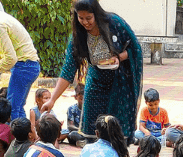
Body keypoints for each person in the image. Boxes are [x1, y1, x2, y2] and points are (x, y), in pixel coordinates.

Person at [42, 0, 144, 140]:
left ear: (96, 13)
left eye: (89, 18)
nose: (85, 22)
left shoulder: (114, 23)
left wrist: (119, 58)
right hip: (96, 83)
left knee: (117, 134)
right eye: (81, 18)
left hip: (120, 85)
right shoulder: (78, 34)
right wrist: (52, 99)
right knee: (92, 131)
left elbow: (135, 49)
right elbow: (68, 70)